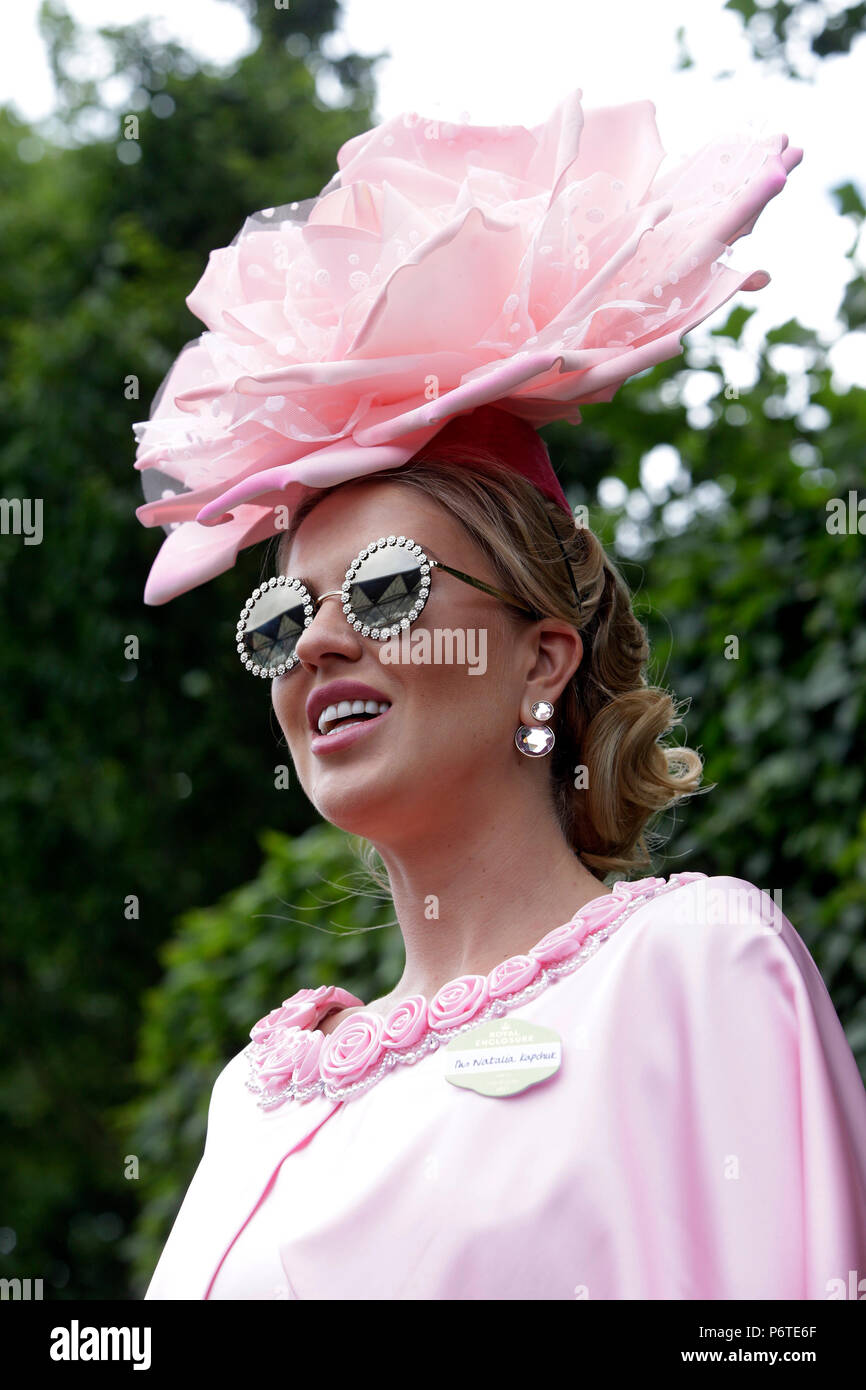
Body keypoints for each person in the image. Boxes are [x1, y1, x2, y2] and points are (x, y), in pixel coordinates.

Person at [135, 91, 866, 1299]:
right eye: (277, 617)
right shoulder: (254, 1090)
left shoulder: (691, 968)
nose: (313, 642)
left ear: (541, 656)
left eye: (381, 589)